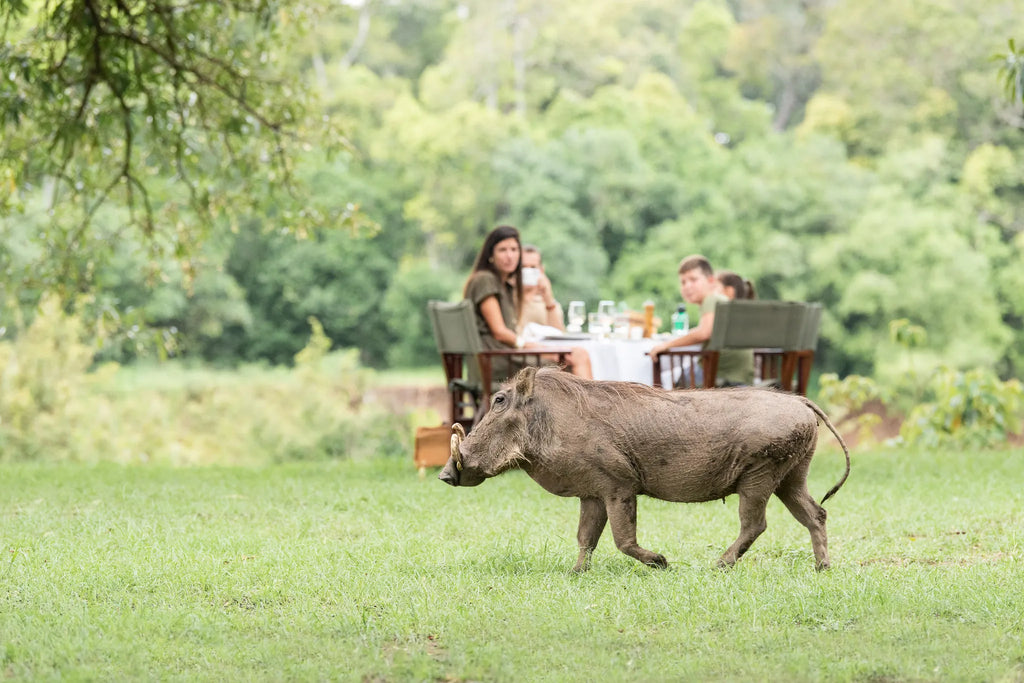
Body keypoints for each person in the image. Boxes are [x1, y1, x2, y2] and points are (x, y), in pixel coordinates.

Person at [464, 226, 592, 379]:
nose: (509, 256)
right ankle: (591, 403)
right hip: (497, 361)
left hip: (504, 357)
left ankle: (583, 402)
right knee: (578, 356)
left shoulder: (504, 285)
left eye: (514, 249)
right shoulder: (485, 279)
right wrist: (527, 345)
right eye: (502, 250)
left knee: (575, 354)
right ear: (490, 254)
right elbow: (499, 332)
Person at [649, 254, 754, 386]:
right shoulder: (721, 301)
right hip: (740, 376)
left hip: (721, 376)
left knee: (672, 381)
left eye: (693, 280)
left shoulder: (711, 299)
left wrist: (666, 345)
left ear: (710, 281)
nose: (687, 286)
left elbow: (704, 333)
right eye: (683, 282)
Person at [517, 244, 565, 331]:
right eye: (523, 267)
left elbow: (558, 334)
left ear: (541, 270)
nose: (528, 271)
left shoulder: (549, 303)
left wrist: (548, 299)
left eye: (533, 267)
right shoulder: (506, 297)